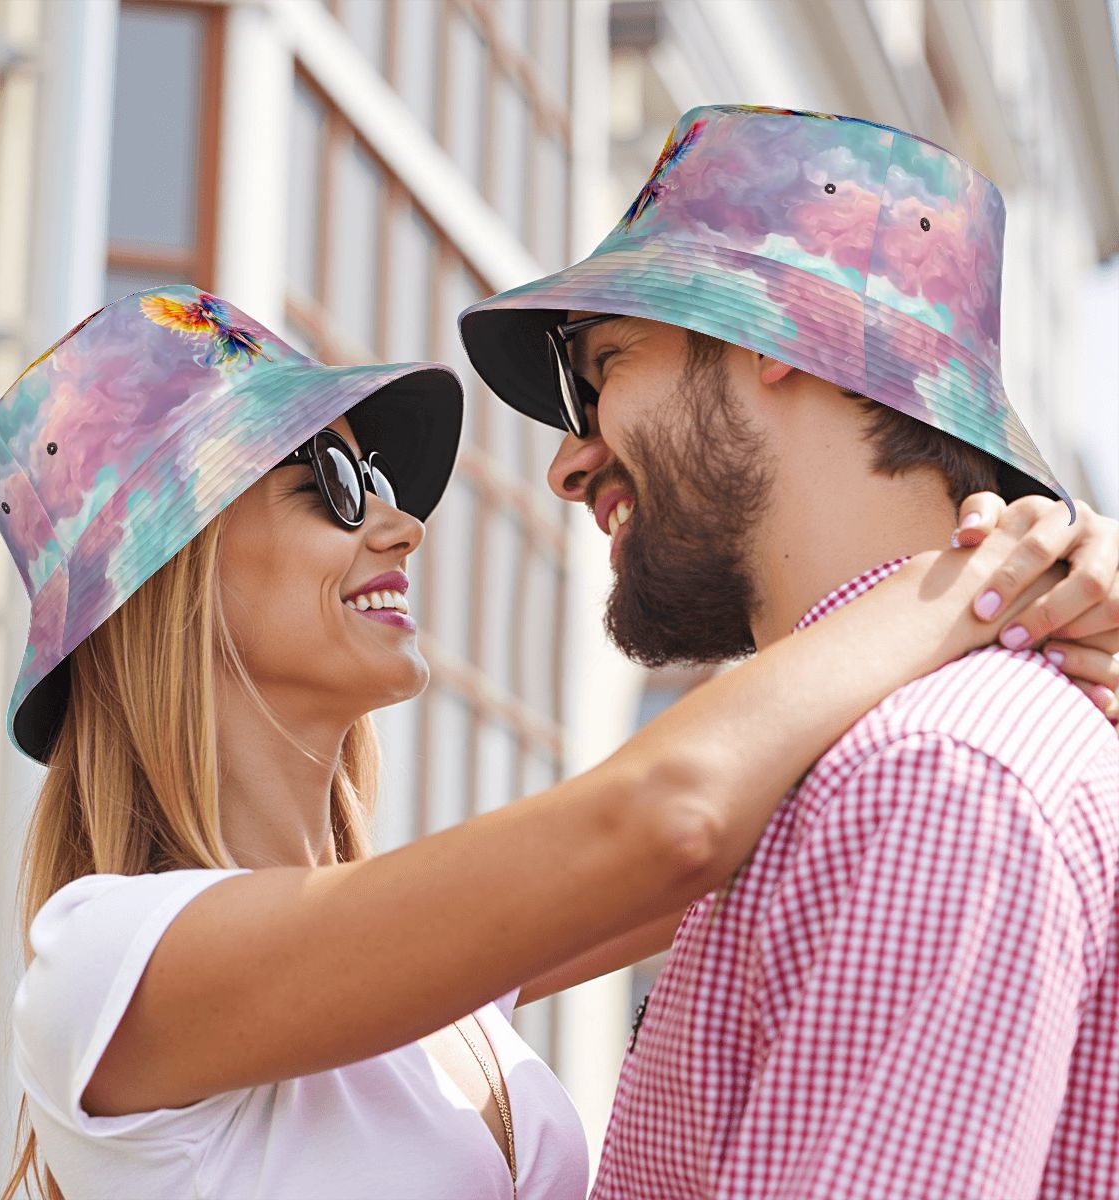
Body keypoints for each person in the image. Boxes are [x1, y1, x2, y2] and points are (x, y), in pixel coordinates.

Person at [0, 287, 1113, 1200]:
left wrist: (1074, 635)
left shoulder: (433, 982)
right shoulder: (101, 965)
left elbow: (803, 811)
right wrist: (980, 576)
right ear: (171, 582)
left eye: (377, 480)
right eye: (329, 483)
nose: (402, 524)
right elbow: (672, 816)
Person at [458, 105, 1119, 1199]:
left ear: (770, 337)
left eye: (604, 367)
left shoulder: (927, 779)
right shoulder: (853, 767)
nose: (568, 464)